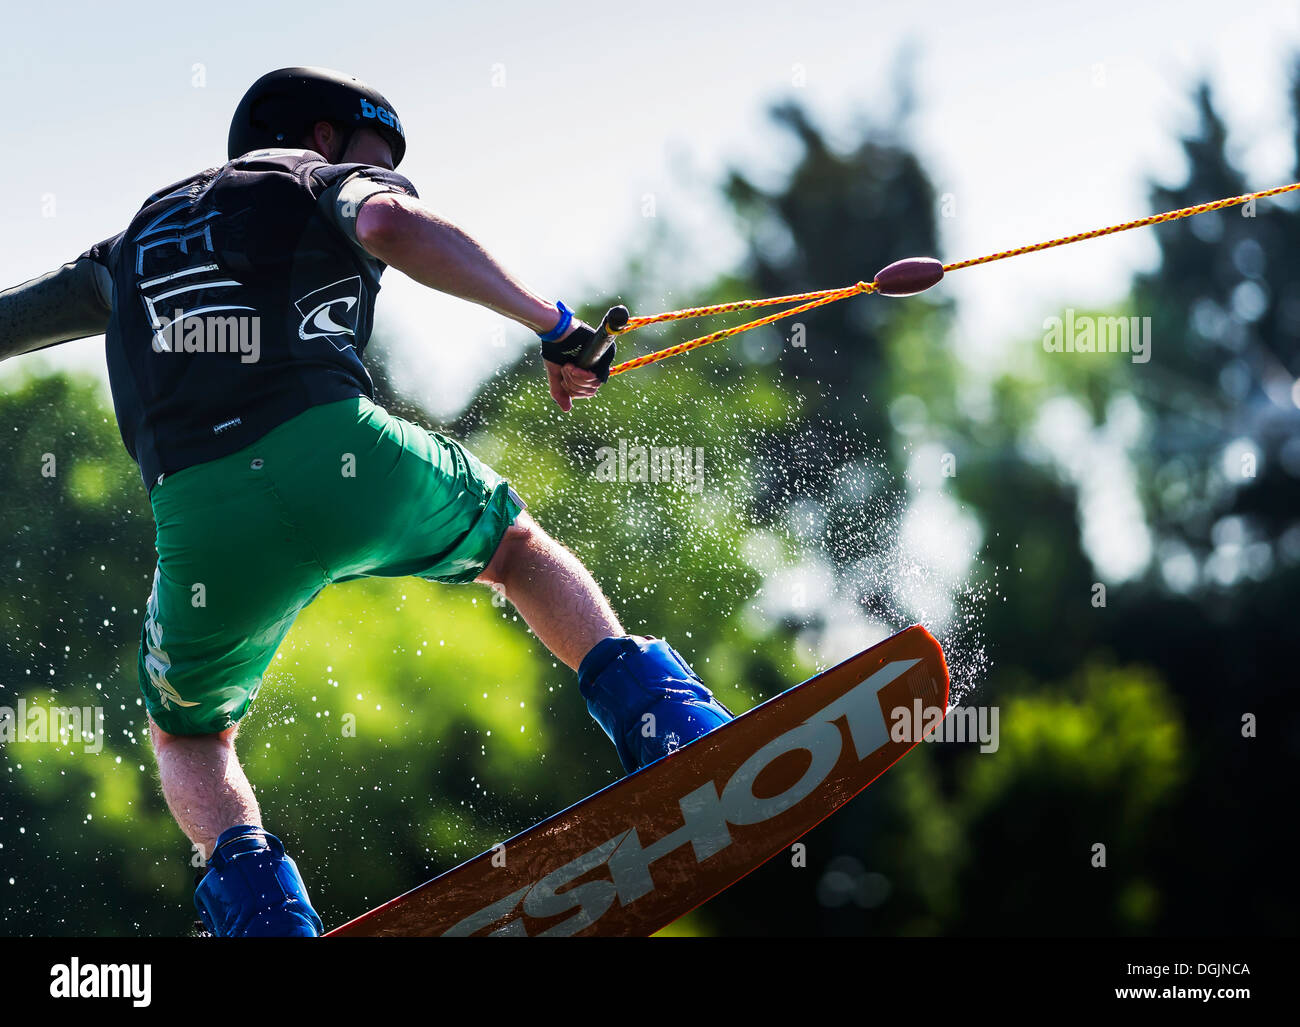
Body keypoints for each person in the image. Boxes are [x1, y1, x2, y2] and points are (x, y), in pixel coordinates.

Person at [0, 66, 734, 937]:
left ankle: (266, 918)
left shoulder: (125, 249)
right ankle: (671, 726)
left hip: (201, 520)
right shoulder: (304, 176)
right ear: (319, 137)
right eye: (380, 155)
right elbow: (386, 221)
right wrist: (555, 324)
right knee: (513, 551)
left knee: (189, 735)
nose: (394, 175)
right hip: (338, 450)